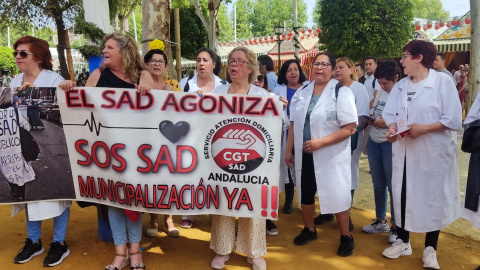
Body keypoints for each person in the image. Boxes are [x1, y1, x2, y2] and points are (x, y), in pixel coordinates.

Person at [60, 33, 154, 270]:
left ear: (124, 51)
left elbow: (155, 108)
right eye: (104, 46)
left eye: (110, 47)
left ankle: (136, 252)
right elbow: (82, 107)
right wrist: (70, 88)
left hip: (135, 152)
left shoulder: (142, 75)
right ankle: (120, 253)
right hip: (105, 152)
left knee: (133, 201)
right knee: (112, 200)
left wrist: (146, 91)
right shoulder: (98, 75)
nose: (104, 50)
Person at [382, 40, 462, 269]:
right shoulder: (400, 86)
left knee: (431, 198)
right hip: (405, 153)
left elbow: (453, 119)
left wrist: (424, 129)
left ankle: (430, 249)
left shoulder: (442, 82)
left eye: (405, 56)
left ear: (418, 58)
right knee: (403, 194)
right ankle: (404, 242)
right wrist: (391, 128)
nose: (401, 61)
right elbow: (390, 114)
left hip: (432, 154)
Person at [286, 52, 357, 257]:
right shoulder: (303, 91)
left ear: (333, 69)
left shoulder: (341, 92)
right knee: (306, 194)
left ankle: (346, 236)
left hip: (330, 154)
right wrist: (289, 149)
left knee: (337, 193)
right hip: (305, 153)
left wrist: (321, 142)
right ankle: (309, 230)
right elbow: (293, 123)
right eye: (316, 63)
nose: (319, 67)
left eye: (325, 64)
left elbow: (350, 128)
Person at [9, 36, 70, 267]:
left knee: (59, 193)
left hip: (53, 146)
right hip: (23, 144)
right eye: (16, 52)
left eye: (23, 53)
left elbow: (70, 108)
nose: (17, 57)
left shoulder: (55, 80)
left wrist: (66, 89)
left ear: (38, 56)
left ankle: (59, 242)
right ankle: (34, 241)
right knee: (29, 192)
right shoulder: (14, 81)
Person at [207, 46, 269, 270]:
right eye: (231, 60)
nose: (233, 64)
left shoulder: (262, 97)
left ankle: (254, 252)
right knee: (223, 202)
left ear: (250, 67)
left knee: (253, 203)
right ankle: (222, 249)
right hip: (222, 159)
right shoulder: (217, 94)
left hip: (253, 160)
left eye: (239, 61)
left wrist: (279, 108)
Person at [313, 57, 369, 230]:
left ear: (351, 69)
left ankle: (347, 214)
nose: (337, 71)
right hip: (329, 140)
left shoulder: (358, 89)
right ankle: (327, 212)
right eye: (335, 67)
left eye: (341, 67)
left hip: (349, 138)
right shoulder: (328, 89)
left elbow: (362, 117)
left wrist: (346, 132)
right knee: (326, 175)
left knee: (347, 177)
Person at [179, 47, 227, 228]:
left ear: (214, 64)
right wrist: (190, 101)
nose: (201, 64)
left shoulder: (223, 85)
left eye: (205, 60)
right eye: (198, 60)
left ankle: (214, 211)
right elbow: (174, 109)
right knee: (190, 174)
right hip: (190, 136)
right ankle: (189, 213)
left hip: (215, 137)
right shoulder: (185, 83)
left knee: (214, 175)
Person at [143, 39, 180, 238]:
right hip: (148, 140)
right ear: (147, 65)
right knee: (152, 181)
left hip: (171, 140)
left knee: (169, 180)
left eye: (160, 61)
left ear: (166, 66)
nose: (157, 64)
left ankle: (169, 218)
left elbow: (184, 112)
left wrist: (170, 97)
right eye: (153, 61)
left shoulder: (174, 85)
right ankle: (153, 219)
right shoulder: (140, 86)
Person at [362, 60, 401, 243]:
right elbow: (376, 109)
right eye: (380, 83)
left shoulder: (401, 93)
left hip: (390, 142)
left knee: (394, 186)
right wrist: (372, 118)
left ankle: (396, 226)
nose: (382, 86)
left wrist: (385, 123)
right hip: (374, 140)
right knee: (378, 184)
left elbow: (404, 118)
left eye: (385, 83)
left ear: (396, 78)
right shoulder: (382, 92)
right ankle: (380, 220)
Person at [272, 59, 309, 216]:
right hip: (286, 133)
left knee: (304, 167)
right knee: (287, 164)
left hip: (304, 132)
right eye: (289, 70)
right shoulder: (278, 89)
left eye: (295, 69)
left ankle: (305, 202)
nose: (293, 72)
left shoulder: (308, 87)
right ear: (284, 74)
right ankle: (288, 199)